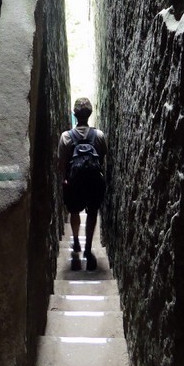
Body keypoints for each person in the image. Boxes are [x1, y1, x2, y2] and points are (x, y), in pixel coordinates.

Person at [58, 97, 107, 270]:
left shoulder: (66, 137)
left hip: (74, 182)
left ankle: (77, 241)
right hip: (93, 181)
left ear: (74, 114)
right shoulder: (99, 135)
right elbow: (101, 158)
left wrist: (65, 178)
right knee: (92, 212)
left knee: (74, 211)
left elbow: (62, 163)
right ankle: (87, 249)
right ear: (90, 113)